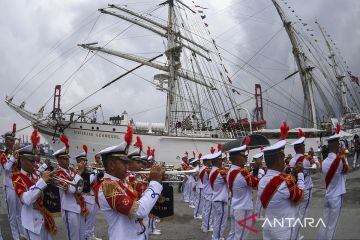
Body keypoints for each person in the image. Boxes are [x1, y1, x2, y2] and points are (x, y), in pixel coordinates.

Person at [94, 126, 164, 240]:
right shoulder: (107, 186)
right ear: (111, 165)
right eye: (124, 162)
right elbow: (139, 211)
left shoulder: (124, 181)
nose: (128, 166)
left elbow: (144, 196)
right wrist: (155, 182)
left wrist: (156, 181)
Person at [256, 122, 305, 239]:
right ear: (279, 161)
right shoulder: (285, 181)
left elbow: (282, 181)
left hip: (268, 227)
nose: (284, 161)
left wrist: (293, 174)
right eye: (283, 158)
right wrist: (301, 174)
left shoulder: (262, 181)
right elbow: (301, 197)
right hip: (284, 230)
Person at [11, 129, 56, 240]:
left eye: (34, 159)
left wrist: (51, 183)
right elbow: (26, 199)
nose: (34, 163)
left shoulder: (35, 173)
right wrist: (42, 182)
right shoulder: (17, 178)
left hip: (44, 217)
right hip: (32, 222)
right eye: (31, 160)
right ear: (21, 160)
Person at [53, 134, 88, 240]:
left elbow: (80, 186)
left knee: (82, 235)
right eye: (64, 159)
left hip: (79, 206)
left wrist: (80, 173)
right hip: (69, 209)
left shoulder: (72, 170)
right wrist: (80, 172)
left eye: (67, 158)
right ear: (59, 160)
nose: (68, 161)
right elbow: (71, 189)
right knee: (73, 237)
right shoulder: (58, 173)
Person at [318, 125, 349, 240]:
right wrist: (343, 154)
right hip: (336, 197)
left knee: (324, 223)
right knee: (332, 227)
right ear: (336, 145)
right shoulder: (340, 161)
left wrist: (340, 155)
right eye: (338, 144)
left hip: (328, 195)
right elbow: (346, 169)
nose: (340, 146)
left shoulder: (324, 162)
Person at [226, 136, 259, 240]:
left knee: (233, 234)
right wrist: (257, 170)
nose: (245, 158)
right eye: (243, 156)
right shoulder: (242, 172)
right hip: (243, 208)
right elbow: (257, 184)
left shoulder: (231, 170)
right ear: (238, 158)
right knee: (240, 237)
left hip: (235, 206)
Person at [289, 129, 319, 240]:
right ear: (301, 148)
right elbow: (317, 167)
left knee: (296, 212)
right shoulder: (307, 159)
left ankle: (293, 234)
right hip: (306, 188)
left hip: (296, 187)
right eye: (303, 145)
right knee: (302, 214)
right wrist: (314, 157)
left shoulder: (292, 161)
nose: (304, 147)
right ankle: (295, 236)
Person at [0, 123, 25, 239]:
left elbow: (21, 168)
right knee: (12, 215)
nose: (12, 142)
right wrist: (14, 156)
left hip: (18, 185)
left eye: (13, 140)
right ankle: (15, 237)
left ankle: (22, 234)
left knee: (20, 213)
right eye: (10, 140)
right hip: (9, 185)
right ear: (6, 141)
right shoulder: (3, 154)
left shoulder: (17, 153)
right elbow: (6, 167)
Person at [74, 145, 102, 240]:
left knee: (92, 220)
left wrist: (98, 171)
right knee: (86, 221)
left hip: (93, 198)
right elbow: (88, 181)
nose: (86, 162)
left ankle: (90, 235)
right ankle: (87, 237)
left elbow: (98, 180)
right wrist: (95, 171)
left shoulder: (88, 171)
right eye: (83, 161)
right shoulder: (78, 172)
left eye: (86, 161)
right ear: (79, 162)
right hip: (85, 199)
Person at [209, 144, 228, 240]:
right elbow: (230, 181)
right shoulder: (221, 172)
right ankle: (218, 237)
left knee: (217, 220)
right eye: (221, 160)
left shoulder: (213, 171)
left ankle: (215, 236)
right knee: (221, 221)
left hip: (216, 198)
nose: (222, 161)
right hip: (220, 199)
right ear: (217, 161)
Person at [200, 150, 214, 233]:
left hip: (206, 191)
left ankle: (204, 225)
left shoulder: (203, 169)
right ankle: (207, 227)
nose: (211, 162)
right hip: (209, 192)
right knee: (209, 211)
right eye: (210, 160)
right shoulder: (207, 170)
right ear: (206, 161)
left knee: (205, 210)